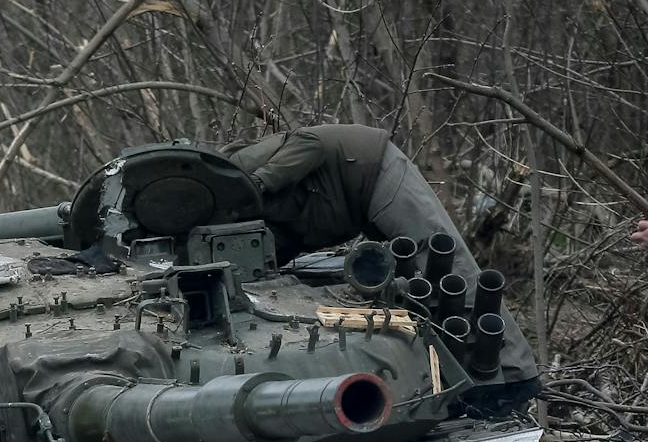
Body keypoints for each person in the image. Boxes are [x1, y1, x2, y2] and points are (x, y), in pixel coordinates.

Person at [227, 125, 539, 388]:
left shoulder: (235, 169)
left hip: (375, 172)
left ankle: (517, 377)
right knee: (418, 299)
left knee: (451, 275)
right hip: (358, 211)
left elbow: (311, 143)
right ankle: (464, 385)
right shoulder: (227, 224)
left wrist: (259, 182)